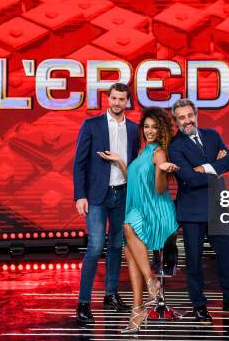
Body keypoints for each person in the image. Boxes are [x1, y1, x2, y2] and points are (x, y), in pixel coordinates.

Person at [168, 98, 229, 323]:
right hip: (192, 212)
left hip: (218, 207)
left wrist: (205, 168)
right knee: (195, 261)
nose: (187, 121)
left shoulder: (212, 136)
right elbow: (188, 178)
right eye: (181, 118)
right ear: (176, 121)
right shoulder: (175, 146)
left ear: (195, 115)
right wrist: (215, 168)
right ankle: (199, 305)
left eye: (190, 115)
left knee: (228, 255)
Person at [99, 107, 180, 333]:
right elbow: (132, 179)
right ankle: (137, 309)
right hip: (139, 207)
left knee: (127, 226)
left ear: (161, 129)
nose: (150, 130)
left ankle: (151, 282)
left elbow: (159, 188)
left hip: (157, 210)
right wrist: (120, 162)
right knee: (129, 247)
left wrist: (161, 170)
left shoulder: (159, 153)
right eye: (146, 126)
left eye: (155, 127)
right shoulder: (143, 152)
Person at [73, 83, 140, 325]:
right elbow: (79, 163)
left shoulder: (134, 129)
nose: (116, 103)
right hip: (97, 196)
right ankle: (83, 302)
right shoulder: (91, 125)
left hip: (122, 195)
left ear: (127, 102)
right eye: (113, 98)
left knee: (116, 246)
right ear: (108, 99)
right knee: (95, 246)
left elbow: (133, 164)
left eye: (121, 99)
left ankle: (111, 295)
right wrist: (80, 195)